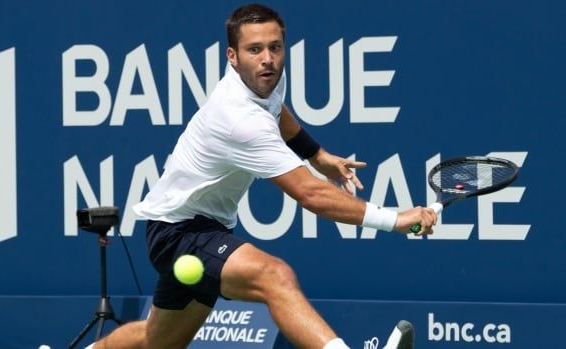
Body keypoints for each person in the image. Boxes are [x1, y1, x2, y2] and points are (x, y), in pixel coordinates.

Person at [87, 3, 437, 349]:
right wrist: (395, 219)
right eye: (254, 49)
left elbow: (278, 112)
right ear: (232, 56)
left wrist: (317, 155)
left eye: (275, 47)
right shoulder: (239, 119)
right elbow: (309, 194)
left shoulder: (266, 80)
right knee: (275, 276)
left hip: (204, 228)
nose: (267, 58)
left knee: (156, 342)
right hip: (179, 232)